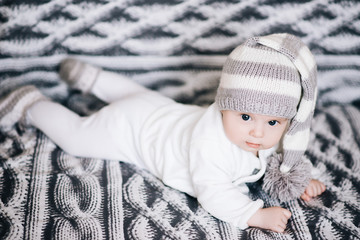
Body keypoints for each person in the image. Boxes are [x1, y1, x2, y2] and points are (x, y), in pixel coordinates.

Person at [0, 33, 326, 233]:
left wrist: (296, 177)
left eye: (274, 123)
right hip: (132, 131)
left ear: (287, 122)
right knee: (77, 137)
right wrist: (255, 213)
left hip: (156, 108)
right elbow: (214, 195)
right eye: (245, 116)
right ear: (224, 105)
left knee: (136, 95)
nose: (258, 132)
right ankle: (31, 104)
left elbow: (280, 155)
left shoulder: (262, 133)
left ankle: (92, 79)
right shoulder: (210, 147)